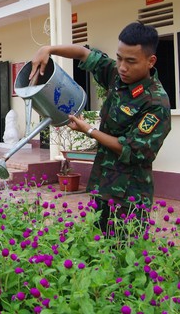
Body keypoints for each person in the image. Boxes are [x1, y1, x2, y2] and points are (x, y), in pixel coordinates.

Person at [29, 21, 171, 236]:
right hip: (102, 184)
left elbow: (131, 150)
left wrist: (89, 131)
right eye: (120, 58)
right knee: (98, 250)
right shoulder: (117, 76)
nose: (122, 66)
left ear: (151, 61)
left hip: (128, 194)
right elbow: (84, 55)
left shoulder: (155, 103)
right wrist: (48, 49)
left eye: (131, 61)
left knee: (124, 254)